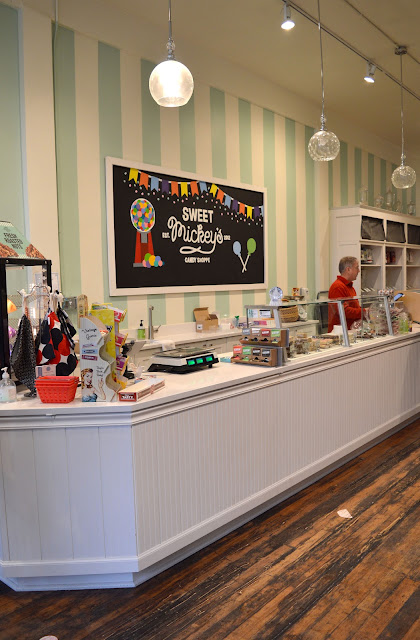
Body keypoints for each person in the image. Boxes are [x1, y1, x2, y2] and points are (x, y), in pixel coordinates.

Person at [328, 256, 362, 332]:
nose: (359, 271)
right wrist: (364, 312)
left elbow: (354, 307)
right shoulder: (338, 287)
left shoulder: (349, 286)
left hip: (350, 331)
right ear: (348, 269)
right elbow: (344, 311)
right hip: (340, 332)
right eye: (357, 267)